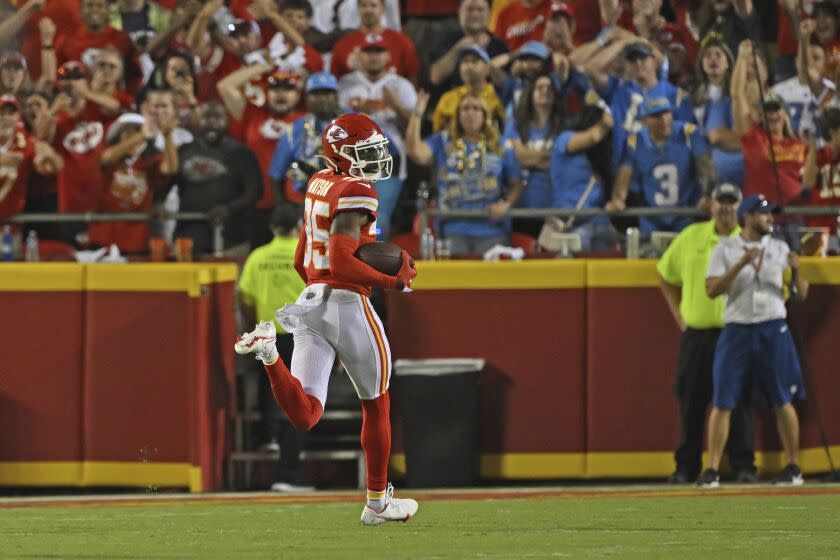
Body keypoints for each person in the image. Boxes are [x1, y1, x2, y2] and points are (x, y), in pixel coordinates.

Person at [234, 112, 419, 525]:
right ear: (343, 153)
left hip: (311, 299)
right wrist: (392, 283)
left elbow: (305, 257)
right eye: (366, 151)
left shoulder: (320, 181)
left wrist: (319, 297)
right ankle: (377, 503)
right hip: (346, 303)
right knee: (377, 402)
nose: (374, 158)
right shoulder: (357, 189)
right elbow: (341, 259)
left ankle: (268, 354)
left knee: (306, 414)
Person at [697, 194, 810, 488]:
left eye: (770, 214)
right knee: (723, 399)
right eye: (763, 214)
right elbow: (711, 290)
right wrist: (741, 265)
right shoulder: (725, 249)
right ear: (747, 217)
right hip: (738, 327)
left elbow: (802, 294)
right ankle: (711, 470)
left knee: (782, 398)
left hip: (772, 325)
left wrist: (797, 268)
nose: (770, 218)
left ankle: (794, 466)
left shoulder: (780, 247)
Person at [657, 183, 756, 484]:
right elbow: (665, 275)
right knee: (691, 401)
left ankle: (742, 464)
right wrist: (681, 316)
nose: (725, 208)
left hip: (736, 331)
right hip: (698, 333)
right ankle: (686, 466)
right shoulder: (691, 237)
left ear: (739, 206)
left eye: (731, 202)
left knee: (739, 401)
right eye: (720, 201)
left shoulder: (750, 241)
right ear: (710, 205)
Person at [237, 202, 312, 493]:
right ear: (298, 225)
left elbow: (245, 297)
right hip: (300, 334)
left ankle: (269, 437)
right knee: (299, 396)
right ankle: (289, 468)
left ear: (271, 227)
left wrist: (256, 319)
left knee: (272, 390)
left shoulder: (258, 257)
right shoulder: (305, 254)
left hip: (266, 334)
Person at [409, 91, 523, 255]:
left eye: (476, 108)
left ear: (485, 115)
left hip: (491, 229)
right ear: (457, 115)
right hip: (453, 229)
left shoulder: (502, 145)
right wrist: (417, 114)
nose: (470, 113)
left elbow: (516, 183)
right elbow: (415, 152)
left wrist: (505, 203)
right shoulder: (442, 141)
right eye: (465, 108)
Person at [337, 33, 417, 239]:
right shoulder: (344, 85)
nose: (374, 56)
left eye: (379, 51)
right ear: (359, 55)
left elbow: (414, 128)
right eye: (368, 51)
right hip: (350, 158)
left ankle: (376, 264)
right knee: (347, 216)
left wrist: (396, 106)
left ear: (388, 56)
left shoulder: (401, 86)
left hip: (389, 158)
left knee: (378, 217)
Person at [219, 67, 304, 246]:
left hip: (295, 206)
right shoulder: (253, 115)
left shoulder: (307, 120)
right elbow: (225, 86)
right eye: (274, 88)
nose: (281, 94)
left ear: (298, 95)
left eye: (288, 89)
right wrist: (264, 66)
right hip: (258, 205)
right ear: (266, 93)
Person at [162, 101, 260, 255]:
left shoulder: (242, 153)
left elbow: (254, 192)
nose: (212, 123)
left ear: (227, 120)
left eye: (218, 117)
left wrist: (228, 209)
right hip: (188, 237)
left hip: (231, 239)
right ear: (197, 120)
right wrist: (158, 202)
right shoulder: (184, 150)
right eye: (206, 117)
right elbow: (167, 182)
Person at [607, 97, 713, 235]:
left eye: (666, 113)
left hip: (686, 217)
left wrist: (708, 194)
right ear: (645, 120)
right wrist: (618, 199)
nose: (664, 119)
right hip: (651, 220)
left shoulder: (688, 133)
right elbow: (625, 173)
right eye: (657, 115)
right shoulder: (635, 141)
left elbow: (706, 167)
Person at [88, 111, 177, 253]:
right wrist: (141, 135)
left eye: (136, 130)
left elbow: (171, 168)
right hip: (103, 234)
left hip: (136, 238)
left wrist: (167, 136)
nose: (132, 135)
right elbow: (104, 158)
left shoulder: (151, 160)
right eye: (127, 132)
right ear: (118, 136)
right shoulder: (110, 155)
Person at [547, 103, 616, 251]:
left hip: (601, 225)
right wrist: (607, 120)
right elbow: (593, 136)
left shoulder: (603, 155)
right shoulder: (564, 140)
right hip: (571, 226)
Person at [268, 72, 343, 205]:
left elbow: (389, 158)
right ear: (306, 98)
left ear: (337, 96)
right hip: (308, 201)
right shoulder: (293, 130)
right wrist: (282, 205)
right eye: (315, 94)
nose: (321, 99)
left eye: (327, 93)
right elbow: (276, 174)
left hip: (349, 199)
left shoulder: (358, 122)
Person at [329, 0, 420, 80]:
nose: (368, 10)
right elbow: (334, 81)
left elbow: (412, 78)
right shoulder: (342, 45)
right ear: (358, 9)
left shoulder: (402, 42)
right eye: (364, 5)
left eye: (373, 5)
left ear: (382, 9)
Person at [433, 45, 505, 132]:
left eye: (475, 61)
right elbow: (438, 133)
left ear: (488, 68)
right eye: (465, 61)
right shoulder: (449, 98)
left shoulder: (499, 95)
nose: (469, 66)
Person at [803, 106, 840, 253]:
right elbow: (808, 182)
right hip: (819, 227)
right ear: (833, 132)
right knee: (818, 274)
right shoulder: (815, 154)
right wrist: (812, 148)